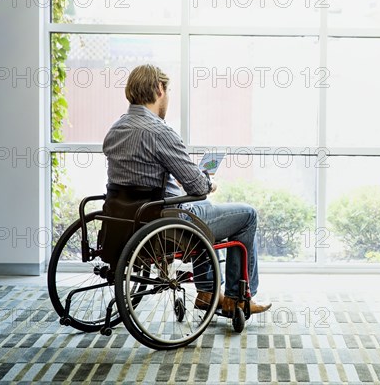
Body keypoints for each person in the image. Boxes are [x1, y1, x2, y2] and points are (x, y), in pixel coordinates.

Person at [102, 64, 271, 316]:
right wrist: (207, 182)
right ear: (159, 89)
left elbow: (139, 178)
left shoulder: (115, 129)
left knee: (202, 210)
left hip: (125, 219)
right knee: (246, 215)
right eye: (167, 91)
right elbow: (197, 186)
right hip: (164, 222)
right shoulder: (159, 131)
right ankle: (237, 297)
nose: (167, 97)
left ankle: (207, 293)